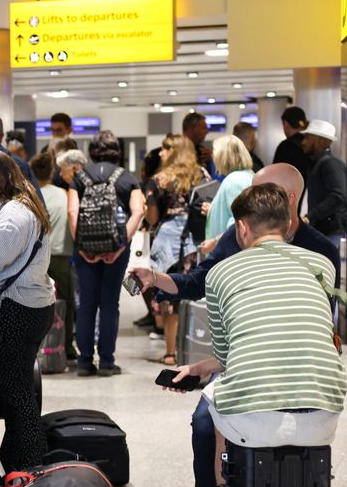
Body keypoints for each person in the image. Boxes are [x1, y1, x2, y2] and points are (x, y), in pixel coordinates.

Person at [128, 163, 340, 487]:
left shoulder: (317, 250)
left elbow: (319, 326)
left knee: (225, 412)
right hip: (294, 382)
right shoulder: (245, 243)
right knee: (203, 422)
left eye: (260, 191)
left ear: (286, 199)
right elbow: (198, 282)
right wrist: (157, 278)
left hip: (283, 370)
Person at [173, 184, 346, 487]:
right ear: (288, 226)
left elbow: (229, 355)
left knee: (216, 400)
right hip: (323, 414)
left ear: (241, 229)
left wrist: (202, 370)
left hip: (253, 422)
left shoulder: (220, 274)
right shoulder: (322, 264)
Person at [0, 152, 55, 471]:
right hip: (29, 307)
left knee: (18, 398)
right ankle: (17, 465)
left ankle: (31, 467)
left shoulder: (15, 213)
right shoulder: (22, 207)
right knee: (18, 395)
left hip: (15, 312)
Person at [66, 131, 145, 377]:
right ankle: (107, 363)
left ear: (92, 151)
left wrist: (82, 247)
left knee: (88, 303)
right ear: (117, 151)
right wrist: (120, 244)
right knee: (110, 302)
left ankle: (84, 362)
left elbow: (72, 213)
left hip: (84, 250)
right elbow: (138, 212)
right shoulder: (127, 178)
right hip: (116, 249)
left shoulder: (79, 177)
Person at [145, 135, 206, 365]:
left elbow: (152, 218)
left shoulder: (159, 180)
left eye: (166, 148)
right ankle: (194, 347)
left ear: (176, 151)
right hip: (196, 242)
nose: (161, 153)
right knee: (194, 294)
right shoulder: (202, 175)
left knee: (170, 297)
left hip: (169, 243)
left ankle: (171, 352)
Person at [32, 152, 76, 360]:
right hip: (60, 255)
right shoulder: (64, 194)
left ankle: (36, 347)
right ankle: (66, 347)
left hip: (35, 257)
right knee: (65, 302)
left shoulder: (30, 194)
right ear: (51, 171)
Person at [301, 120, 347, 246]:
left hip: (330, 227)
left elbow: (338, 195)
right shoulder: (318, 164)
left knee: (326, 264)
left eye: (307, 138)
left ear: (319, 141)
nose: (303, 142)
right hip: (324, 227)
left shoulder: (330, 164)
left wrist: (311, 216)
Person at [205, 135, 254, 241]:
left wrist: (213, 243)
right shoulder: (247, 175)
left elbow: (237, 224)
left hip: (228, 252)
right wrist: (214, 210)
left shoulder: (234, 181)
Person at [272, 106, 311, 182]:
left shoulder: (285, 147)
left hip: (292, 191)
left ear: (285, 123)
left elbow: (276, 176)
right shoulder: (312, 144)